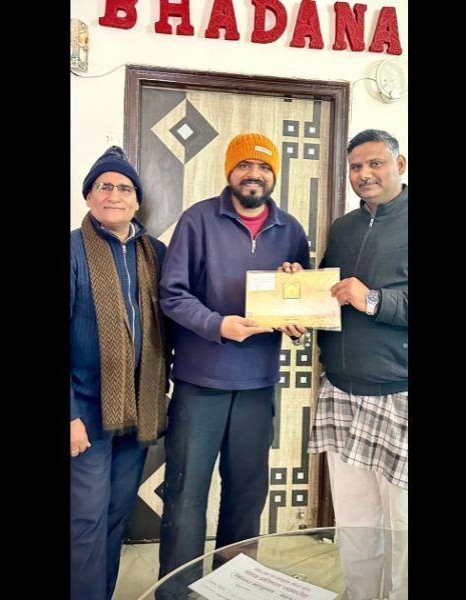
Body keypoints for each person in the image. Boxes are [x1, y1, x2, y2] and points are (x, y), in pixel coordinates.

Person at [156, 133, 310, 596]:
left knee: (246, 497)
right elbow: (172, 294)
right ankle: (176, 593)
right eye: (244, 165)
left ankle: (232, 588)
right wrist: (218, 325)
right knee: (186, 495)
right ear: (230, 171)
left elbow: (300, 302)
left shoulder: (291, 230)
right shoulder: (197, 219)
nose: (253, 174)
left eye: (263, 167)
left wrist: (297, 318)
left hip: (258, 384)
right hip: (200, 383)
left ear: (274, 175)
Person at [308, 129, 408, 600]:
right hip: (342, 391)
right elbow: (329, 291)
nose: (364, 174)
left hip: (399, 391)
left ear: (400, 165)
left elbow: (363, 297)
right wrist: (298, 293)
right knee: (354, 518)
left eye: (375, 163)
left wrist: (372, 300)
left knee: (402, 522)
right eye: (355, 167)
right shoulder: (343, 227)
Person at [70, 145, 170, 600]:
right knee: (85, 519)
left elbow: (186, 306)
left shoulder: (156, 253)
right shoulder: (73, 249)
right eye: (104, 186)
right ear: (89, 196)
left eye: (125, 188)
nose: (114, 195)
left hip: (137, 410)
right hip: (86, 411)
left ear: (137, 200)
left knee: (114, 515)